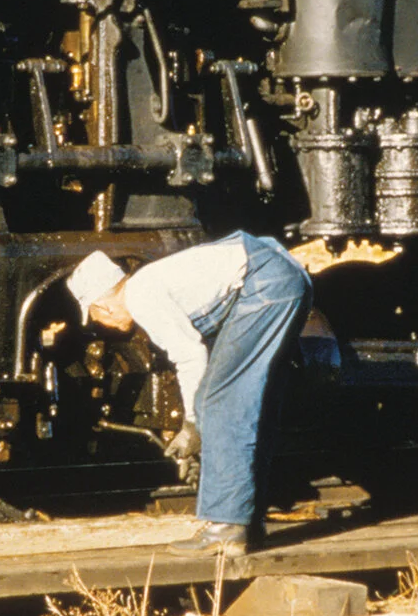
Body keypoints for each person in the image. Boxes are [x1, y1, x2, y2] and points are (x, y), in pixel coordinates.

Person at [67, 233, 313, 557]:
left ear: (102, 306)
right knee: (250, 405)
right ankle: (246, 521)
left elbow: (191, 356)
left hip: (265, 281)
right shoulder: (152, 280)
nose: (102, 325)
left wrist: (192, 423)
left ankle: (226, 526)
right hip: (279, 276)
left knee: (218, 402)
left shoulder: (141, 296)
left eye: (96, 317)